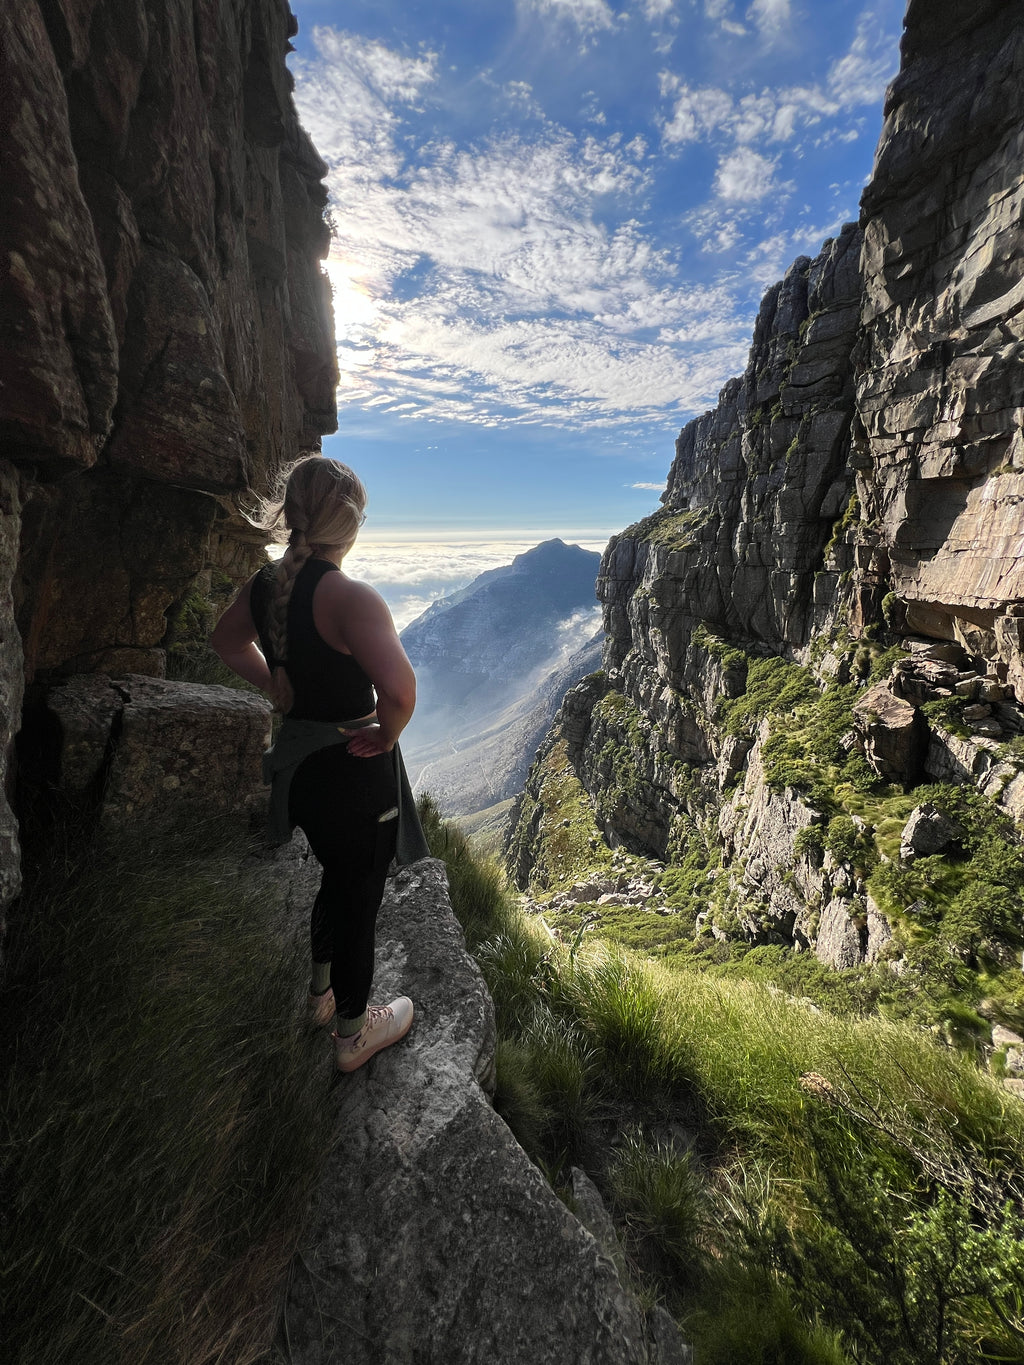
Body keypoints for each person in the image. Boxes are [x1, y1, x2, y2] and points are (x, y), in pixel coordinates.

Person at [210, 454, 427, 1074]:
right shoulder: (350, 597)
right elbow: (403, 693)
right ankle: (354, 1035)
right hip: (353, 777)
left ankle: (319, 996)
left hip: (299, 771)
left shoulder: (264, 587)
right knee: (359, 897)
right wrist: (384, 737)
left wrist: (281, 693)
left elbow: (225, 642)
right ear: (350, 523)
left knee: (334, 876)